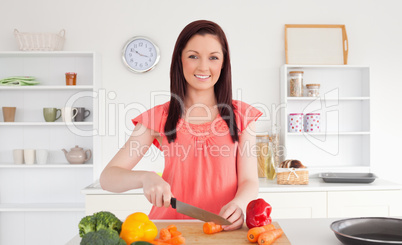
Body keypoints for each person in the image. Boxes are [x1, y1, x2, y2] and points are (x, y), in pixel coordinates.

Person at [100, 20, 262, 231]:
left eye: (213, 57)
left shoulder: (242, 116)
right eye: (193, 56)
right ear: (180, 60)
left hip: (225, 229)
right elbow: (108, 178)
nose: (204, 67)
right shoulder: (159, 117)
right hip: (169, 229)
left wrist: (239, 204)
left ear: (223, 63)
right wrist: (145, 177)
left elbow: (249, 181)